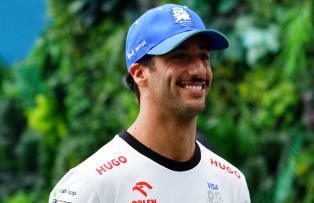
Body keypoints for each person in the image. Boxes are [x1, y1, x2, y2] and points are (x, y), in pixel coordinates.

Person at [49, 3, 250, 203]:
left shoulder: (231, 184)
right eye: (180, 57)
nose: (199, 70)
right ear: (139, 73)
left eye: (204, 57)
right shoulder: (91, 186)